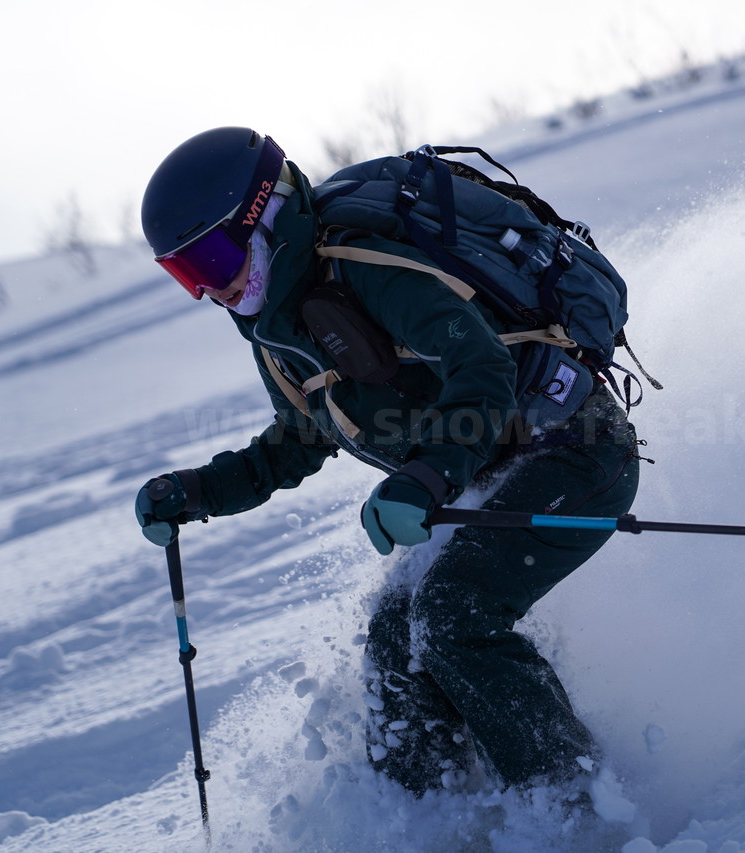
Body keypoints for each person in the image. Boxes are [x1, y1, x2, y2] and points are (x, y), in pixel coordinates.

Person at [134, 127, 642, 798]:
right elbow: (299, 438)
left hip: (575, 448)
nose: (213, 289)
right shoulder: (278, 334)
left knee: (454, 613)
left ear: (266, 215)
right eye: (188, 274)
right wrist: (200, 489)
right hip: (485, 478)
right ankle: (425, 821)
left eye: (216, 257)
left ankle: (572, 811)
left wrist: (426, 474)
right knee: (396, 637)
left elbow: (483, 367)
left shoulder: (363, 265)